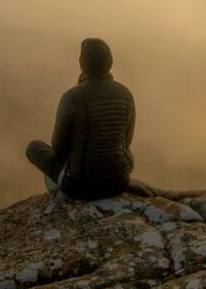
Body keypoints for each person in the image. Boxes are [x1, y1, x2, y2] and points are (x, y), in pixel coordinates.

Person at [26, 38, 139, 200]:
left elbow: (59, 148)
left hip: (79, 186)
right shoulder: (125, 94)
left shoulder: (72, 97)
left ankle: (58, 189)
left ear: (82, 64)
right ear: (110, 62)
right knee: (125, 150)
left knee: (34, 148)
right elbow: (126, 142)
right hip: (119, 182)